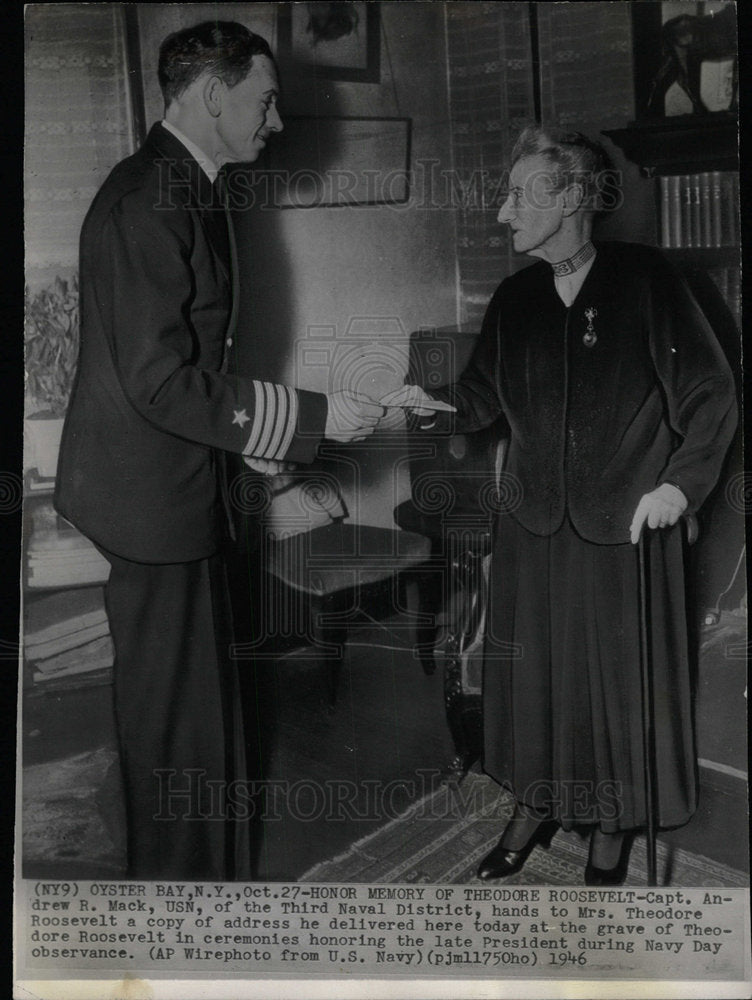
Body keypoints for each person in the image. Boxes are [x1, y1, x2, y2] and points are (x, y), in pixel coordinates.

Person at [54, 21, 383, 880]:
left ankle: (210, 884)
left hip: (177, 481)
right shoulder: (152, 199)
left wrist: (260, 451)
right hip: (148, 497)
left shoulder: (185, 185)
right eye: (264, 100)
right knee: (175, 718)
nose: (275, 122)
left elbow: (196, 365)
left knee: (202, 706)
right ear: (211, 96)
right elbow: (159, 381)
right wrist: (307, 420)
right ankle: (177, 912)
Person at [383, 125, 737, 884]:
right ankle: (534, 805)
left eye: (518, 195)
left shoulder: (648, 281)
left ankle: (613, 824)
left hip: (630, 527)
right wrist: (434, 402)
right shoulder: (514, 299)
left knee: (616, 688)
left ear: (573, 196)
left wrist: (678, 487)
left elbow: (711, 396)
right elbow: (482, 397)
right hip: (536, 522)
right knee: (536, 680)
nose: (504, 213)